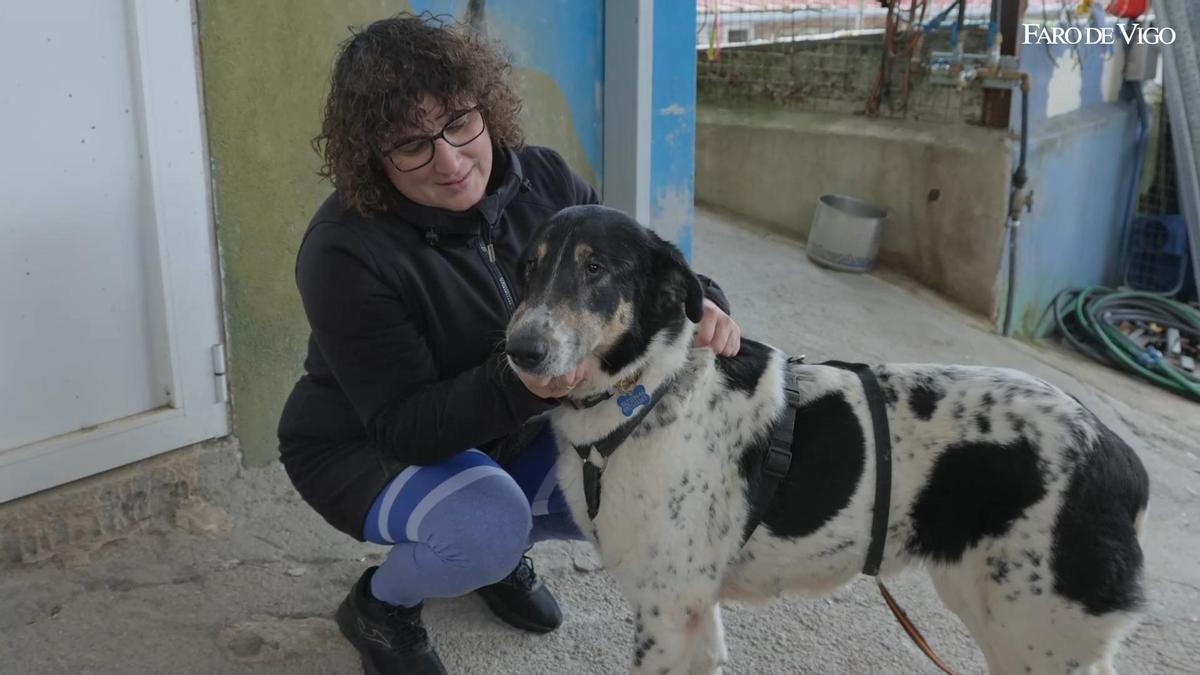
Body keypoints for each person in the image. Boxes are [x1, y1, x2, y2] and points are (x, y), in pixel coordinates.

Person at [277, 13, 742, 674]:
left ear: (485, 107)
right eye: (411, 145)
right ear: (371, 155)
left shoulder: (544, 180)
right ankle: (383, 604)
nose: (449, 158)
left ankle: (486, 556)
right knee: (484, 524)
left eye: (459, 122)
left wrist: (707, 302)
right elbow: (404, 426)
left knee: (642, 471)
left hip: (505, 429)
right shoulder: (343, 250)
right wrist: (515, 384)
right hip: (362, 443)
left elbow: (632, 269)